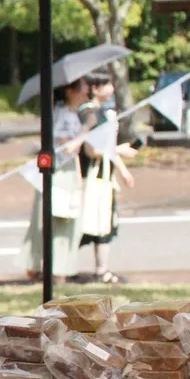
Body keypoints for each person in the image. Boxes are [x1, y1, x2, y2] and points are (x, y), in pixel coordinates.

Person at [17, 77, 90, 282]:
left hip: (67, 173)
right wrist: (87, 130)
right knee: (58, 223)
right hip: (58, 174)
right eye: (84, 86)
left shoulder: (72, 114)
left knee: (65, 222)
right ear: (70, 90)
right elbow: (67, 147)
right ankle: (54, 271)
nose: (88, 91)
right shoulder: (62, 115)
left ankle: (57, 269)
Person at [78, 71, 136, 284]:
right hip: (90, 176)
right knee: (85, 223)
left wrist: (122, 170)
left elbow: (106, 147)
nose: (111, 88)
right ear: (94, 88)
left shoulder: (103, 113)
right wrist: (119, 150)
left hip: (104, 175)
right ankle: (59, 269)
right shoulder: (87, 113)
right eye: (106, 84)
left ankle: (102, 269)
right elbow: (91, 150)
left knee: (104, 223)